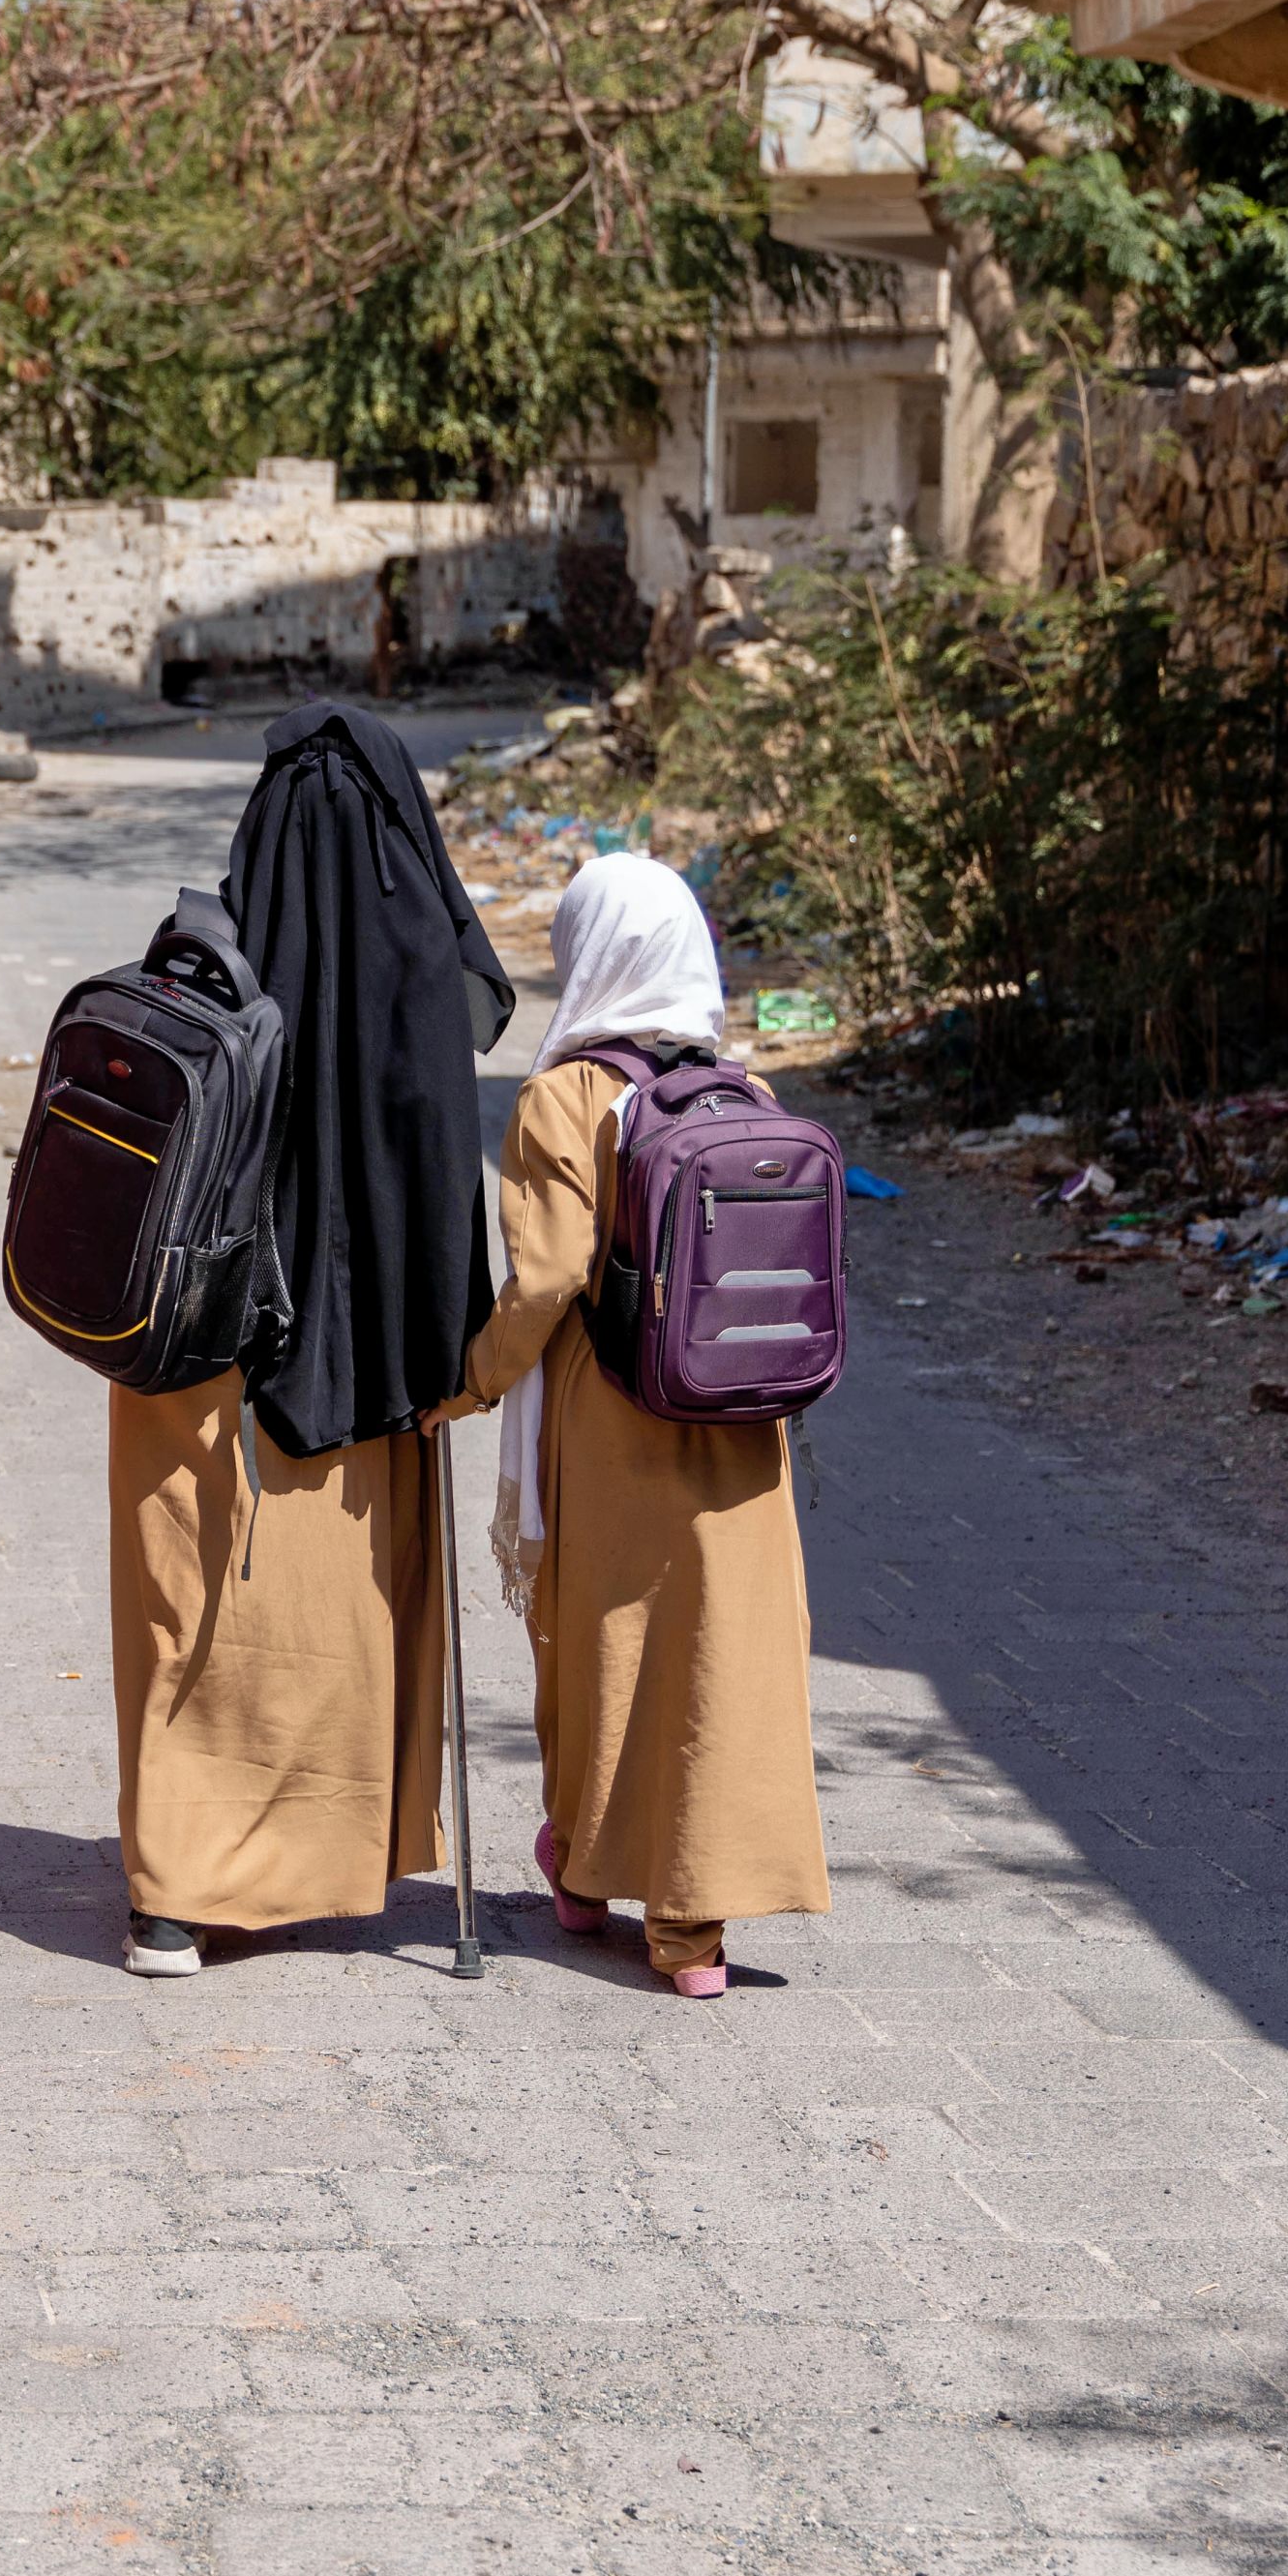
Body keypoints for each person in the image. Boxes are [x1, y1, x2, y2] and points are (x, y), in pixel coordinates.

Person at [107, 702, 514, 1976]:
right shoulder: (426, 977)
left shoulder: (194, 963)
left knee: (200, 1613)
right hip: (373, 1371)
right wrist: (447, 1355)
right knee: (329, 1614)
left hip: (204, 1363)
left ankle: (176, 1893)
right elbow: (448, 1197)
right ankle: (334, 1859)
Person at [428, 853, 827, 1995]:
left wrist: (469, 1381)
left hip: (611, 1423)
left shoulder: (565, 1097)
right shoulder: (748, 1097)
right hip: (744, 1428)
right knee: (721, 1659)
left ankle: (584, 1874)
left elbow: (547, 1276)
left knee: (604, 1647)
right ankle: (690, 1930)